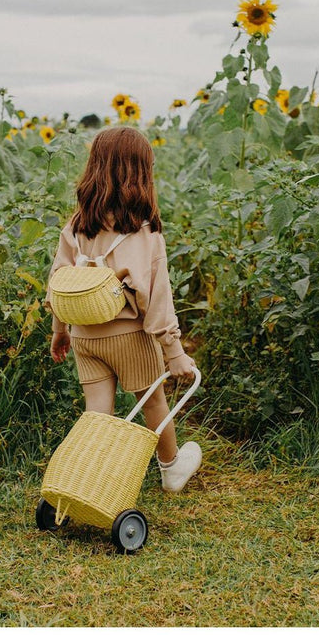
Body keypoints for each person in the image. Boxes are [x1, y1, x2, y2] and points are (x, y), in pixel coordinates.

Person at [45, 125, 202, 493]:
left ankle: (86, 480)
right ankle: (171, 468)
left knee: (97, 413)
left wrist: (59, 330)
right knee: (152, 403)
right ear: (141, 174)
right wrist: (174, 352)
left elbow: (59, 282)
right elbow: (156, 298)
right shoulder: (144, 232)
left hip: (85, 337)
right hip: (129, 336)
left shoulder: (77, 225)